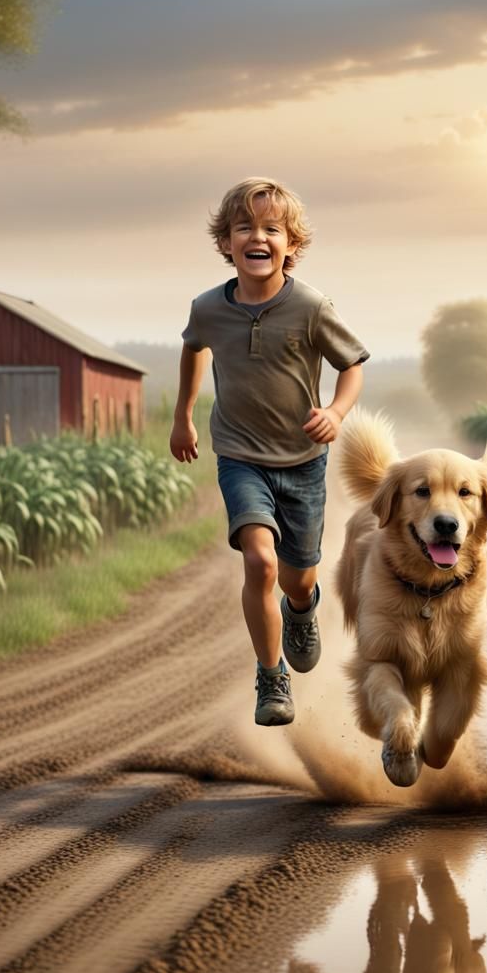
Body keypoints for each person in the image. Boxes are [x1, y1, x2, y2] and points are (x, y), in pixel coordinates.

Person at [170, 177, 368, 728]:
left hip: (302, 461)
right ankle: (271, 675)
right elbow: (193, 348)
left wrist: (336, 412)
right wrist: (183, 415)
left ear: (291, 244)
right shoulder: (208, 308)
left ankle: (301, 609)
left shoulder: (310, 306)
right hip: (240, 456)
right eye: (245, 228)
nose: (257, 237)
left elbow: (352, 365)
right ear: (226, 242)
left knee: (296, 578)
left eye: (271, 230)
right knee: (259, 562)